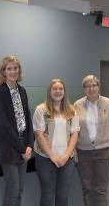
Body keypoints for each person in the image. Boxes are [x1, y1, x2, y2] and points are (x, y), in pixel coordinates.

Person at [0, 55, 34, 206]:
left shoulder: (22, 91)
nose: (13, 71)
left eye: (15, 68)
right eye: (9, 68)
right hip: (9, 148)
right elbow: (3, 125)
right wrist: (22, 148)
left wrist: (29, 145)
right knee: (12, 190)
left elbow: (28, 120)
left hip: (24, 147)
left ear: (19, 70)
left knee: (20, 191)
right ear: (3, 72)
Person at [74, 75, 109, 206]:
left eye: (94, 85)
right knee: (87, 188)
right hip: (83, 152)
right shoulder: (77, 104)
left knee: (100, 190)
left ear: (98, 87)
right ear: (84, 89)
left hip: (104, 151)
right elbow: (73, 131)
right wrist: (75, 152)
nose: (91, 89)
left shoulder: (108, 102)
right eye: (88, 86)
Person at [33, 78, 80, 206]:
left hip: (67, 159)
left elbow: (75, 134)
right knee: (48, 195)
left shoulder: (72, 111)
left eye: (61, 89)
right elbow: (38, 134)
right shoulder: (41, 110)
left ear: (64, 91)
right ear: (49, 91)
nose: (58, 91)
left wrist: (65, 157)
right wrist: (53, 156)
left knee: (63, 195)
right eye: (55, 89)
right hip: (45, 158)